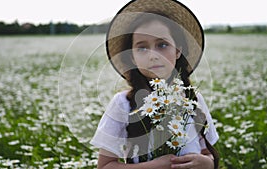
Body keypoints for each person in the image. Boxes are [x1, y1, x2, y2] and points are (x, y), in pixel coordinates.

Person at [90, 0, 219, 168]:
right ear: (132, 57)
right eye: (142, 48)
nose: (153, 55)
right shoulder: (123, 104)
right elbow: (105, 166)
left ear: (178, 50)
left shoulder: (193, 100)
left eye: (162, 45)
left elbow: (208, 153)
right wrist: (153, 166)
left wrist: (208, 163)